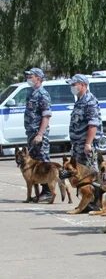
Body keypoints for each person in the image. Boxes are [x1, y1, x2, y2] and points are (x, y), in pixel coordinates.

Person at [23, 67, 53, 201]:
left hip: (39, 135)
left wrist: (40, 134)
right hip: (31, 135)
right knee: (35, 164)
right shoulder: (31, 93)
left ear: (39, 78)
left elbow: (46, 116)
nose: (29, 78)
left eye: (31, 76)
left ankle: (48, 191)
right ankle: (41, 192)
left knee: (43, 163)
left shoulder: (43, 94)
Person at [68, 74, 103, 173]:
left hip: (86, 145)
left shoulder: (90, 101)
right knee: (81, 175)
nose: (72, 87)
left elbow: (93, 124)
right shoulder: (80, 101)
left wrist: (88, 144)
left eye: (74, 84)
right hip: (78, 145)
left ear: (83, 85)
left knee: (90, 174)